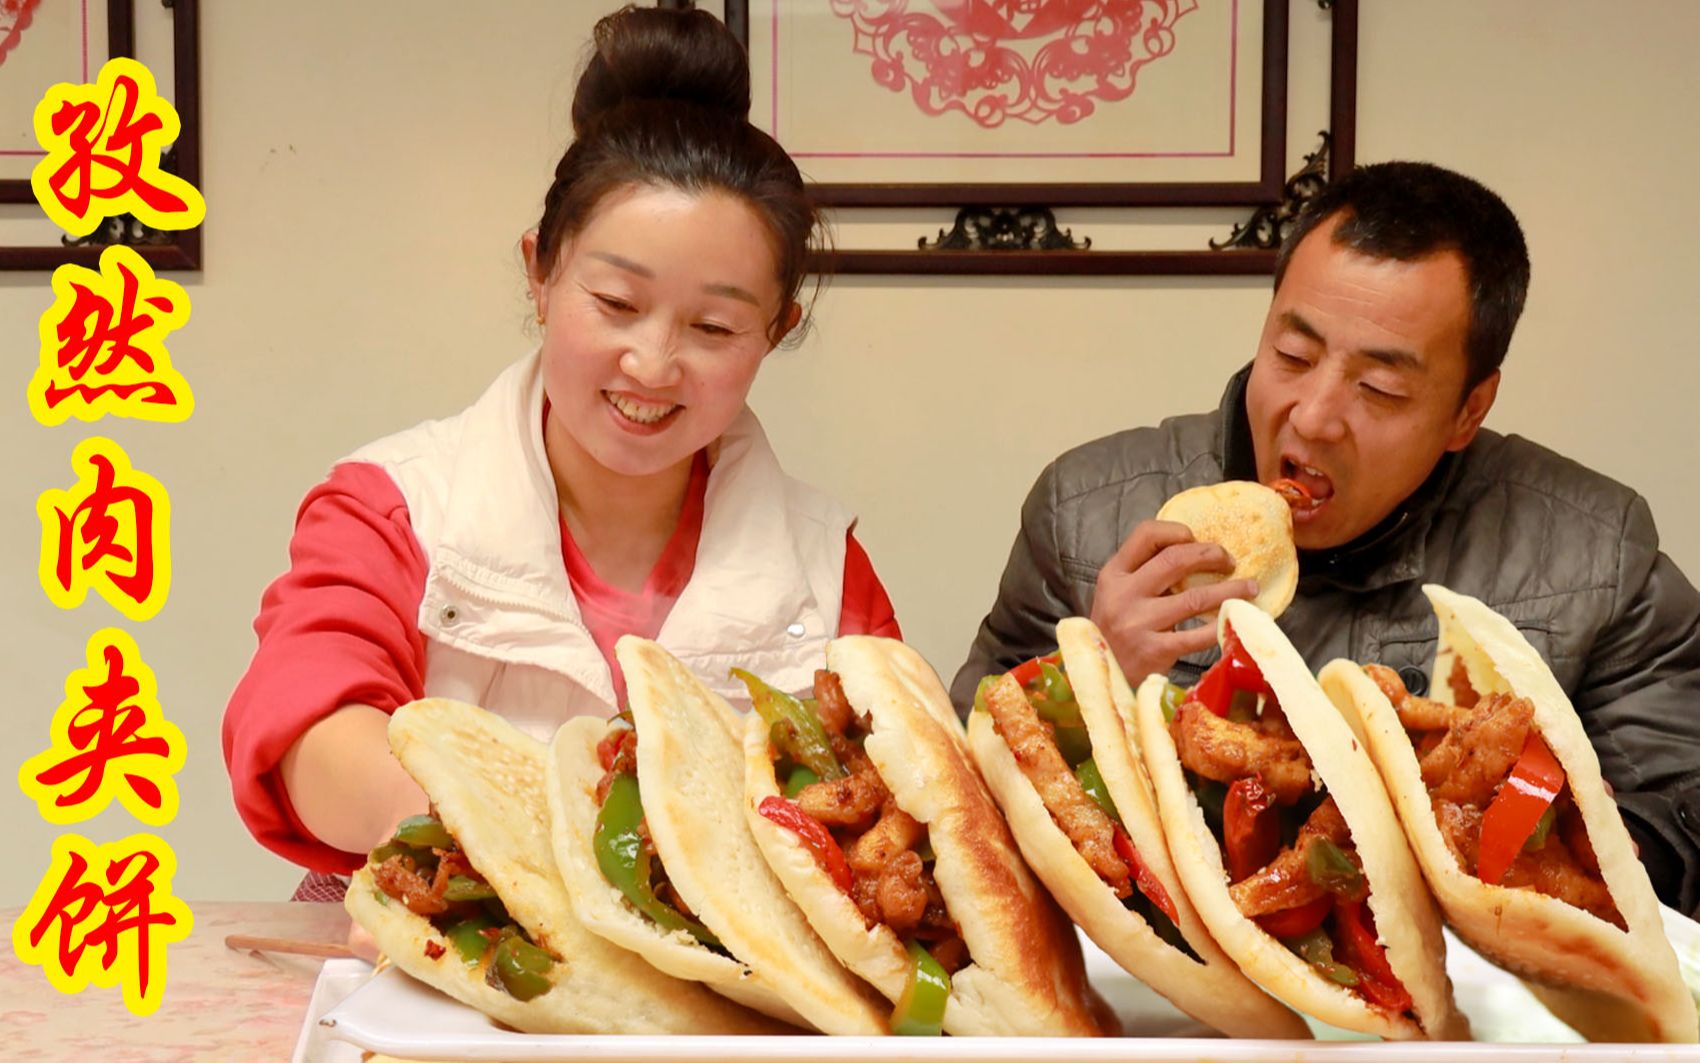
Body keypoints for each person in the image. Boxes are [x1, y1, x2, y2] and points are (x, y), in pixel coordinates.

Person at [223, 6, 899, 903]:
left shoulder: (822, 562)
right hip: (426, 980)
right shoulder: (395, 506)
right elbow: (305, 722)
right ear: (540, 273)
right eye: (616, 303)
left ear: (775, 331)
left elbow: (891, 792)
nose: (652, 364)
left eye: (713, 326)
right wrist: (466, 839)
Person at [951, 161, 1700, 913]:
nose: (1313, 416)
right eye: (1292, 356)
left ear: (1468, 410)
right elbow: (956, 788)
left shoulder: (1597, 551)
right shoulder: (1085, 511)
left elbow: (1682, 803)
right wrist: (1081, 684)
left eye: (1380, 388)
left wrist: (1594, 836)